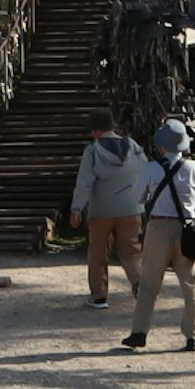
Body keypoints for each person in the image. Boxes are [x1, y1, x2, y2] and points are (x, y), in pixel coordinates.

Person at [120, 116, 195, 352]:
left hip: (158, 227)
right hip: (187, 228)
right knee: (190, 284)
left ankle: (139, 333)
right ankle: (194, 336)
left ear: (162, 145)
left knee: (149, 283)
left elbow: (137, 197)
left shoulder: (151, 168)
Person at [66, 117, 146, 306]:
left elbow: (84, 182)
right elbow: (145, 171)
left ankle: (99, 296)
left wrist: (77, 208)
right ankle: (141, 285)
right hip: (130, 208)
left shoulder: (93, 151)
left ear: (95, 131)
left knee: (98, 253)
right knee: (132, 252)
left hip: (101, 211)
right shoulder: (133, 147)